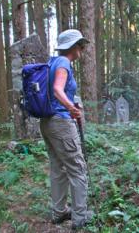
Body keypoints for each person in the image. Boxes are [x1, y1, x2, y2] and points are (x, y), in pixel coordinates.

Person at [40, 29, 93, 230]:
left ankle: (59, 211)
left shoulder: (53, 62)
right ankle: (80, 217)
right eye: (81, 45)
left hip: (47, 123)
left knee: (58, 168)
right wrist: (72, 108)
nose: (82, 49)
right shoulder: (63, 63)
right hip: (61, 123)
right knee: (77, 168)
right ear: (72, 47)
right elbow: (57, 90)